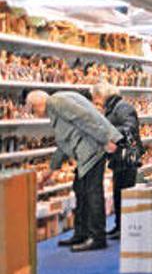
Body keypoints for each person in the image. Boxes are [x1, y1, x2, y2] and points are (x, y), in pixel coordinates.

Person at [26, 90, 121, 252]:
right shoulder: (56, 107)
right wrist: (49, 171)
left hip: (93, 149)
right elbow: (64, 144)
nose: (34, 114)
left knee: (92, 193)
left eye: (32, 110)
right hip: (87, 152)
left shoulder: (57, 102)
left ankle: (97, 237)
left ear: (37, 105)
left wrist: (106, 139)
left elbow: (86, 118)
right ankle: (82, 233)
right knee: (81, 190)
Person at [92, 82, 143, 240]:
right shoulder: (114, 108)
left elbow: (130, 128)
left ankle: (124, 227)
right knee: (118, 193)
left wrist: (108, 132)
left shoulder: (122, 108)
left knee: (124, 192)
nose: (95, 101)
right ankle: (119, 226)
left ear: (102, 95)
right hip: (120, 156)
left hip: (127, 155)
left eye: (95, 97)